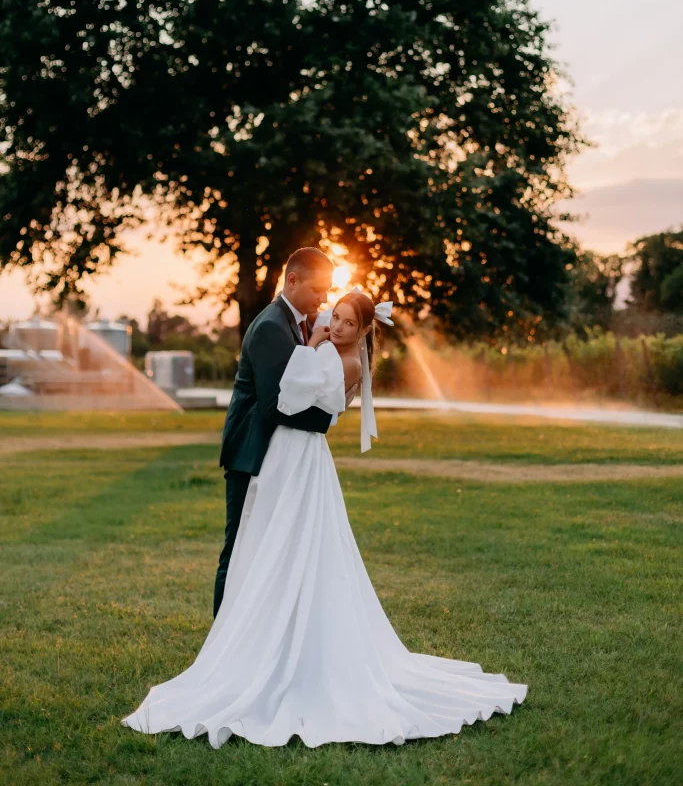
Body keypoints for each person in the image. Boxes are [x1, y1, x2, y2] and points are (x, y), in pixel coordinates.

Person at [122, 284, 527, 748]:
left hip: (299, 457)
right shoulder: (329, 349)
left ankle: (286, 652)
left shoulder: (343, 360)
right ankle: (254, 639)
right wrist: (313, 345)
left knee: (293, 545)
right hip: (285, 455)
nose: (334, 325)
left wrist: (312, 345)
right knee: (270, 543)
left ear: (363, 330)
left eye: (347, 323)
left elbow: (290, 399)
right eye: (334, 316)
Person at [212, 246, 334, 616]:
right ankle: (221, 642)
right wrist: (325, 419)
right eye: (317, 290)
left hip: (274, 453)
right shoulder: (270, 327)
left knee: (269, 548)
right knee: (239, 548)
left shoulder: (298, 325)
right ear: (292, 280)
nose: (323, 299)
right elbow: (273, 404)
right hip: (251, 452)